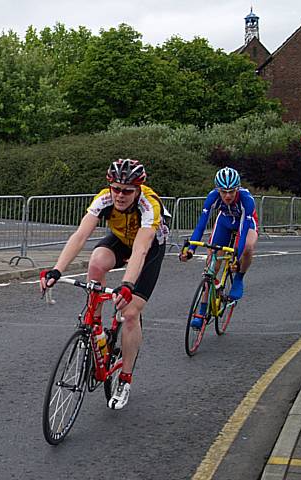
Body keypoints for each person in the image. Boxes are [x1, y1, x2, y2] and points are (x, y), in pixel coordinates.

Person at [40, 158, 170, 410]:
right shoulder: (104, 199)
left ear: (138, 190)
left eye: (127, 191)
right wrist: (57, 270)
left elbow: (141, 250)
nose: (120, 195)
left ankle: (125, 379)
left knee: (130, 311)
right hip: (121, 239)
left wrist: (127, 285)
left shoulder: (148, 206)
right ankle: (95, 325)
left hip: (149, 246)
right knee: (96, 262)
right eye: (116, 188)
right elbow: (80, 236)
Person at [179, 167, 258, 329]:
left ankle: (239, 278)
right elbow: (201, 225)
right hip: (225, 222)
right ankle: (201, 311)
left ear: (237, 189)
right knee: (210, 268)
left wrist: (237, 257)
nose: (227, 196)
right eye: (223, 192)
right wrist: (191, 249)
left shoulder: (247, 199)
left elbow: (243, 232)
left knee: (248, 247)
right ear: (217, 189)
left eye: (231, 191)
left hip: (245, 224)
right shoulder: (213, 197)